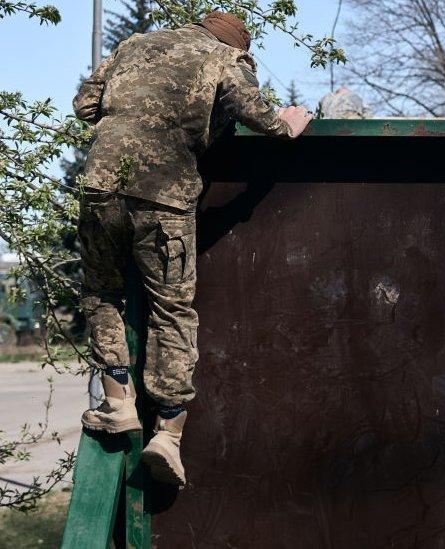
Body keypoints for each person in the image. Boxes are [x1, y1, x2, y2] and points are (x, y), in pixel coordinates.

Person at [72, 11, 313, 486]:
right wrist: (287, 122)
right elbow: (256, 113)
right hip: (165, 197)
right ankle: (168, 434)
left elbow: (84, 106)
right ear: (238, 46)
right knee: (172, 309)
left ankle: (117, 404)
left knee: (102, 292)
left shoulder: (135, 43)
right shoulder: (225, 58)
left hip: (102, 185)